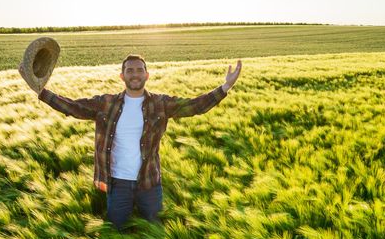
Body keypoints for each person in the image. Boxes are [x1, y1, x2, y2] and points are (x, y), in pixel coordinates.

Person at [36, 55, 242, 229]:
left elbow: (194, 106)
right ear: (122, 76)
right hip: (117, 183)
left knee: (153, 232)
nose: (135, 74)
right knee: (116, 232)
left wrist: (225, 87)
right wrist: (42, 93)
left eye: (139, 70)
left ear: (147, 75)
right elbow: (72, 107)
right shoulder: (106, 104)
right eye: (130, 70)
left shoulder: (160, 104)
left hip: (150, 182)